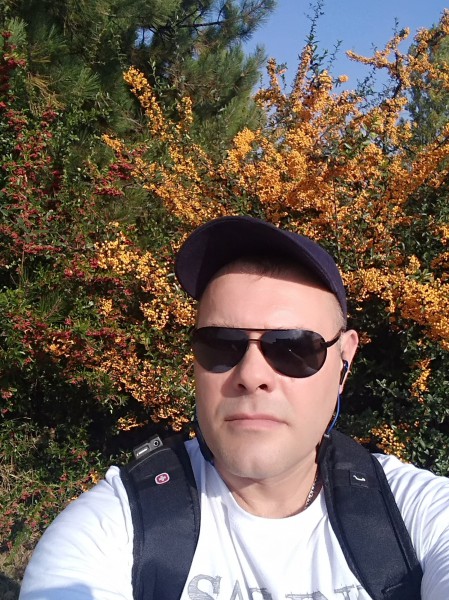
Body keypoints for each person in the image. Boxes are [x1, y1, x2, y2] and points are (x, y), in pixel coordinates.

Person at [20, 216, 449, 599]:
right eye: (221, 344)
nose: (251, 373)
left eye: (294, 348)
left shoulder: (418, 517)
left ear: (344, 362)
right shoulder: (112, 530)